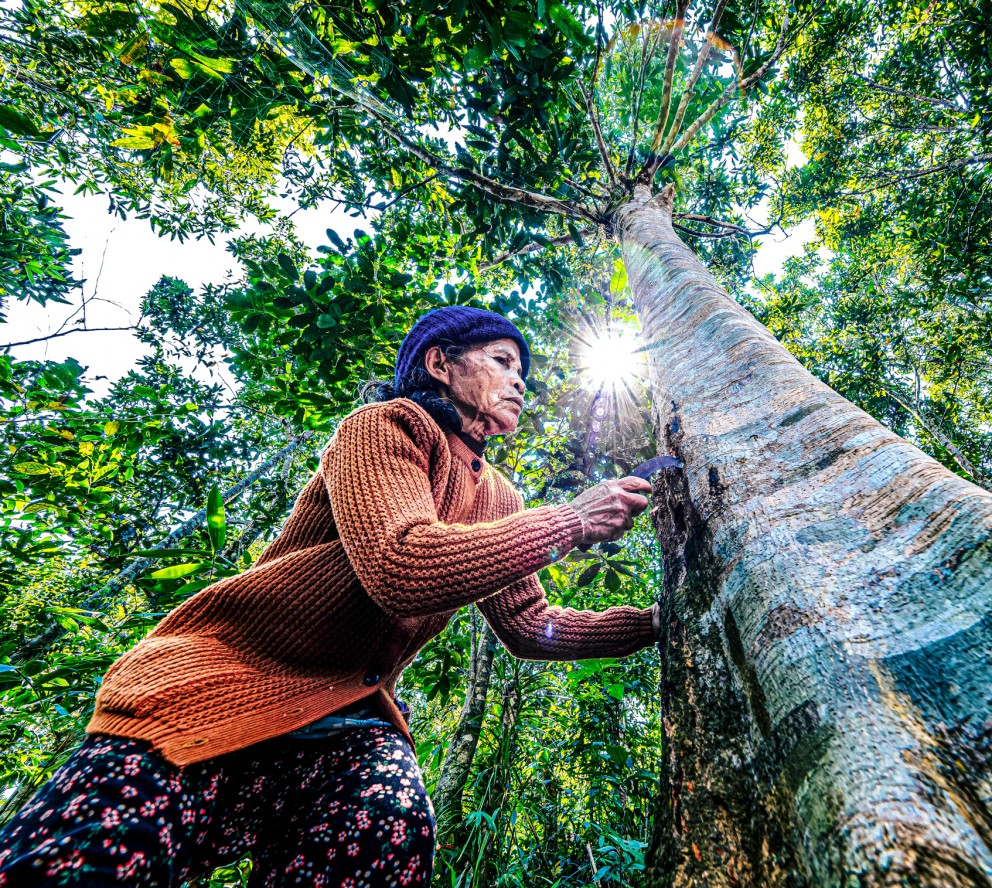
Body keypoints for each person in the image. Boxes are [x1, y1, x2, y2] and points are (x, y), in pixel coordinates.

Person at [0, 306, 660, 887]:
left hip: (351, 722)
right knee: (93, 857)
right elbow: (401, 564)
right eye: (502, 361)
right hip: (217, 686)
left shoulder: (501, 497)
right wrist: (573, 520)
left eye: (523, 371)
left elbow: (531, 624)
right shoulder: (387, 426)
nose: (521, 381)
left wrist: (657, 621)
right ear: (440, 364)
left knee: (389, 824)